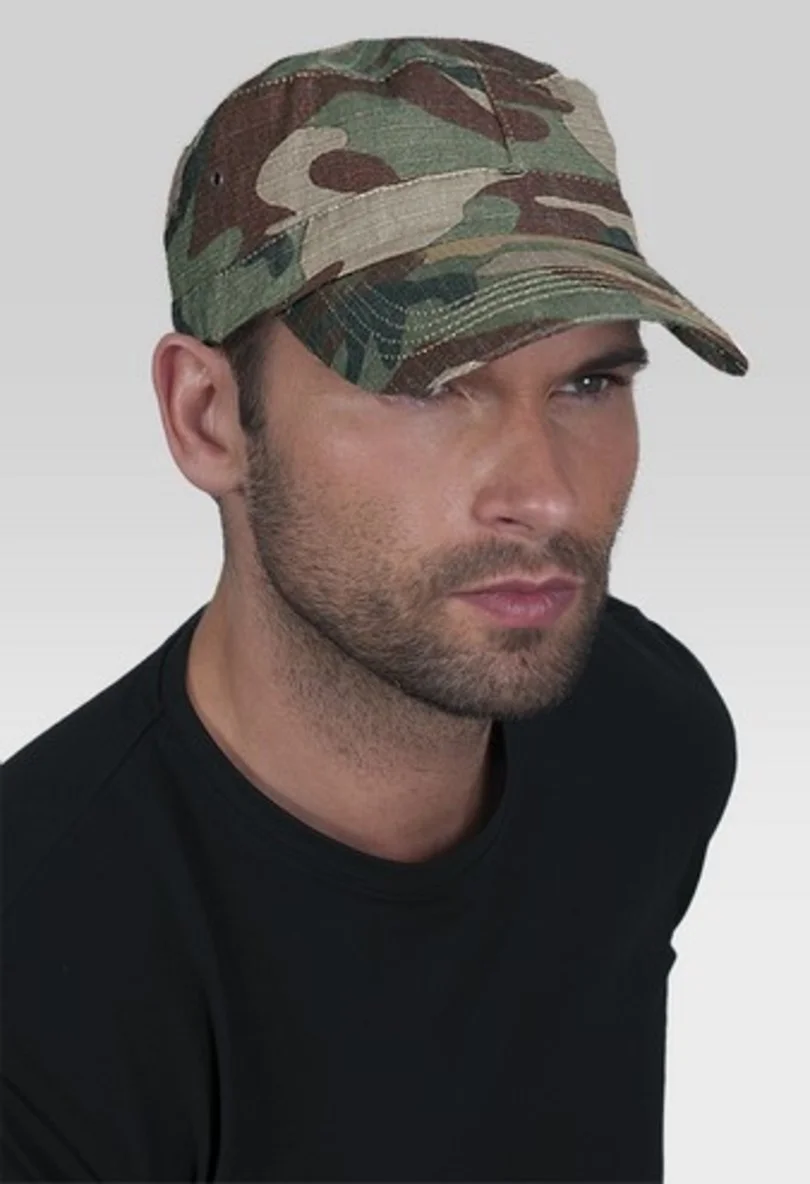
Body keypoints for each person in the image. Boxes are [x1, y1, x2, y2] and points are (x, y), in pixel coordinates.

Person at [1, 36, 749, 1183]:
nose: (547, 494)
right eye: (428, 384)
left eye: (589, 382)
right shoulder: (43, 972)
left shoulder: (648, 733)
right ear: (208, 417)